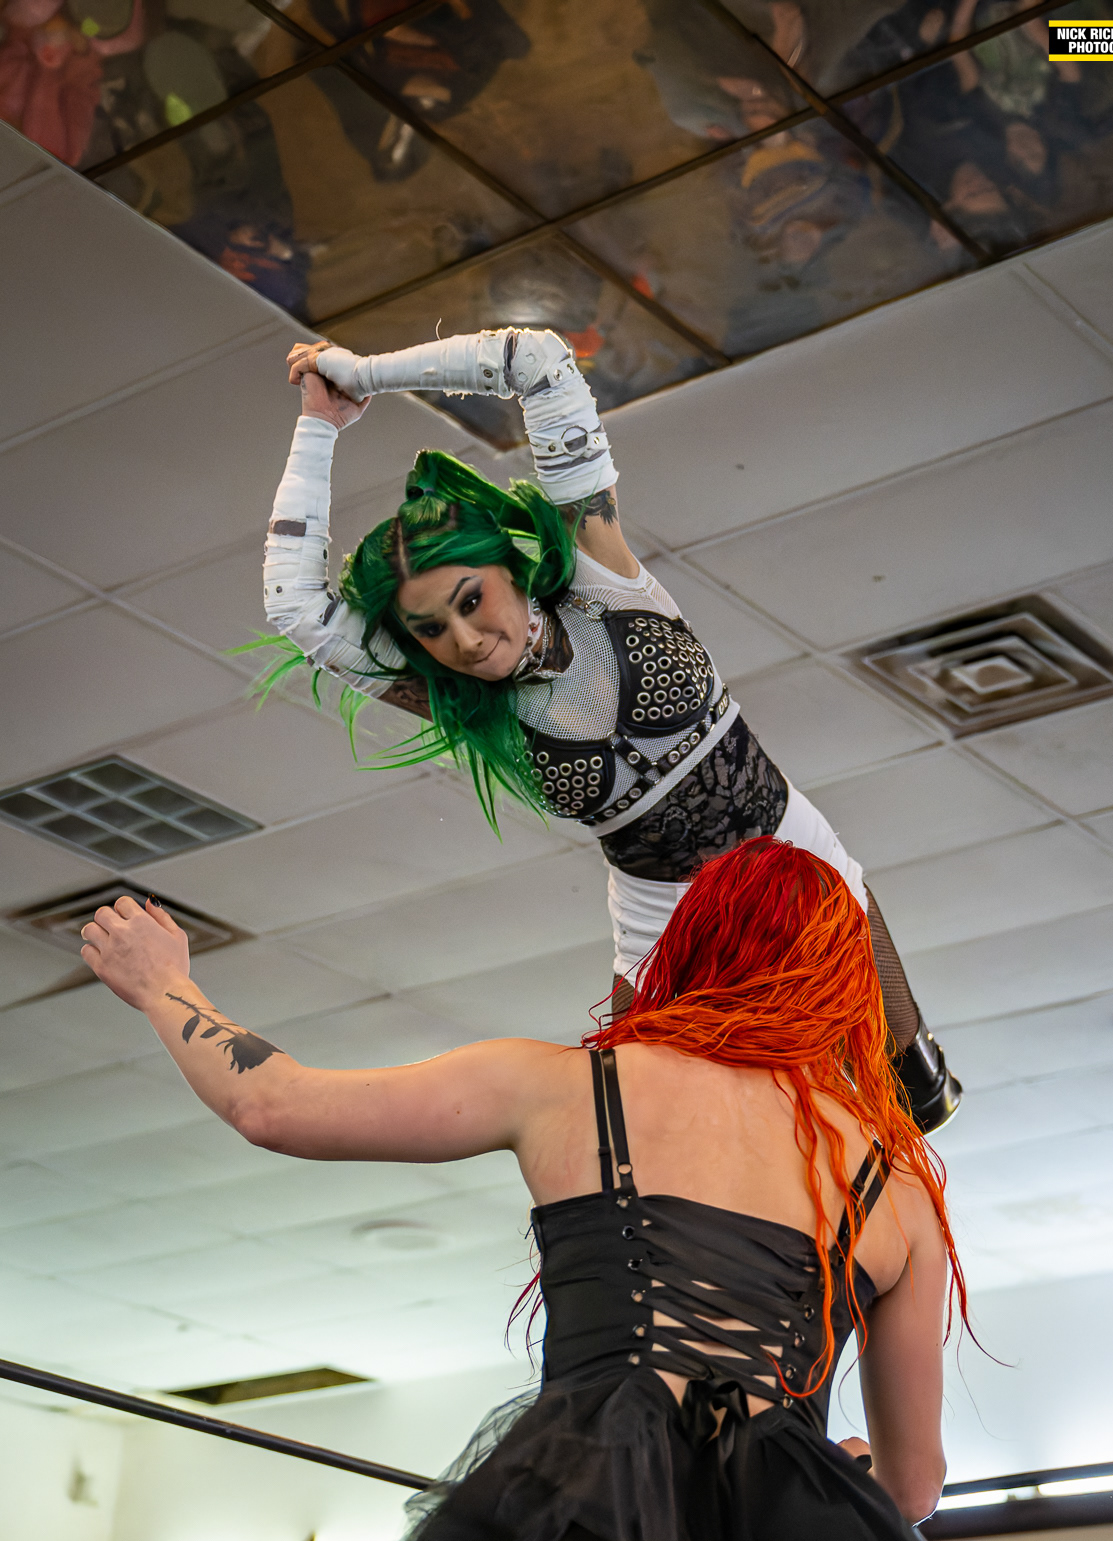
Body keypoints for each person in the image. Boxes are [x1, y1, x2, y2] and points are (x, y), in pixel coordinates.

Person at [80, 842, 1005, 1541]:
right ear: (848, 987)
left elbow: (272, 1104)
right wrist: (829, 1472)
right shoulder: (896, 1186)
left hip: (603, 1537)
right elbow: (913, 1485)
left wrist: (162, 983)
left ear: (692, 945)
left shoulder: (573, 1083)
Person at [263, 324, 959, 1132]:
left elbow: (537, 361)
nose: (464, 639)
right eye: (431, 630)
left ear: (510, 568)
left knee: (915, 1093)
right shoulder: (456, 696)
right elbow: (294, 608)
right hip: (657, 910)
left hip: (787, 839)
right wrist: (314, 429)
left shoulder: (602, 578)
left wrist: (360, 376)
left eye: (471, 600)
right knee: (632, 1118)